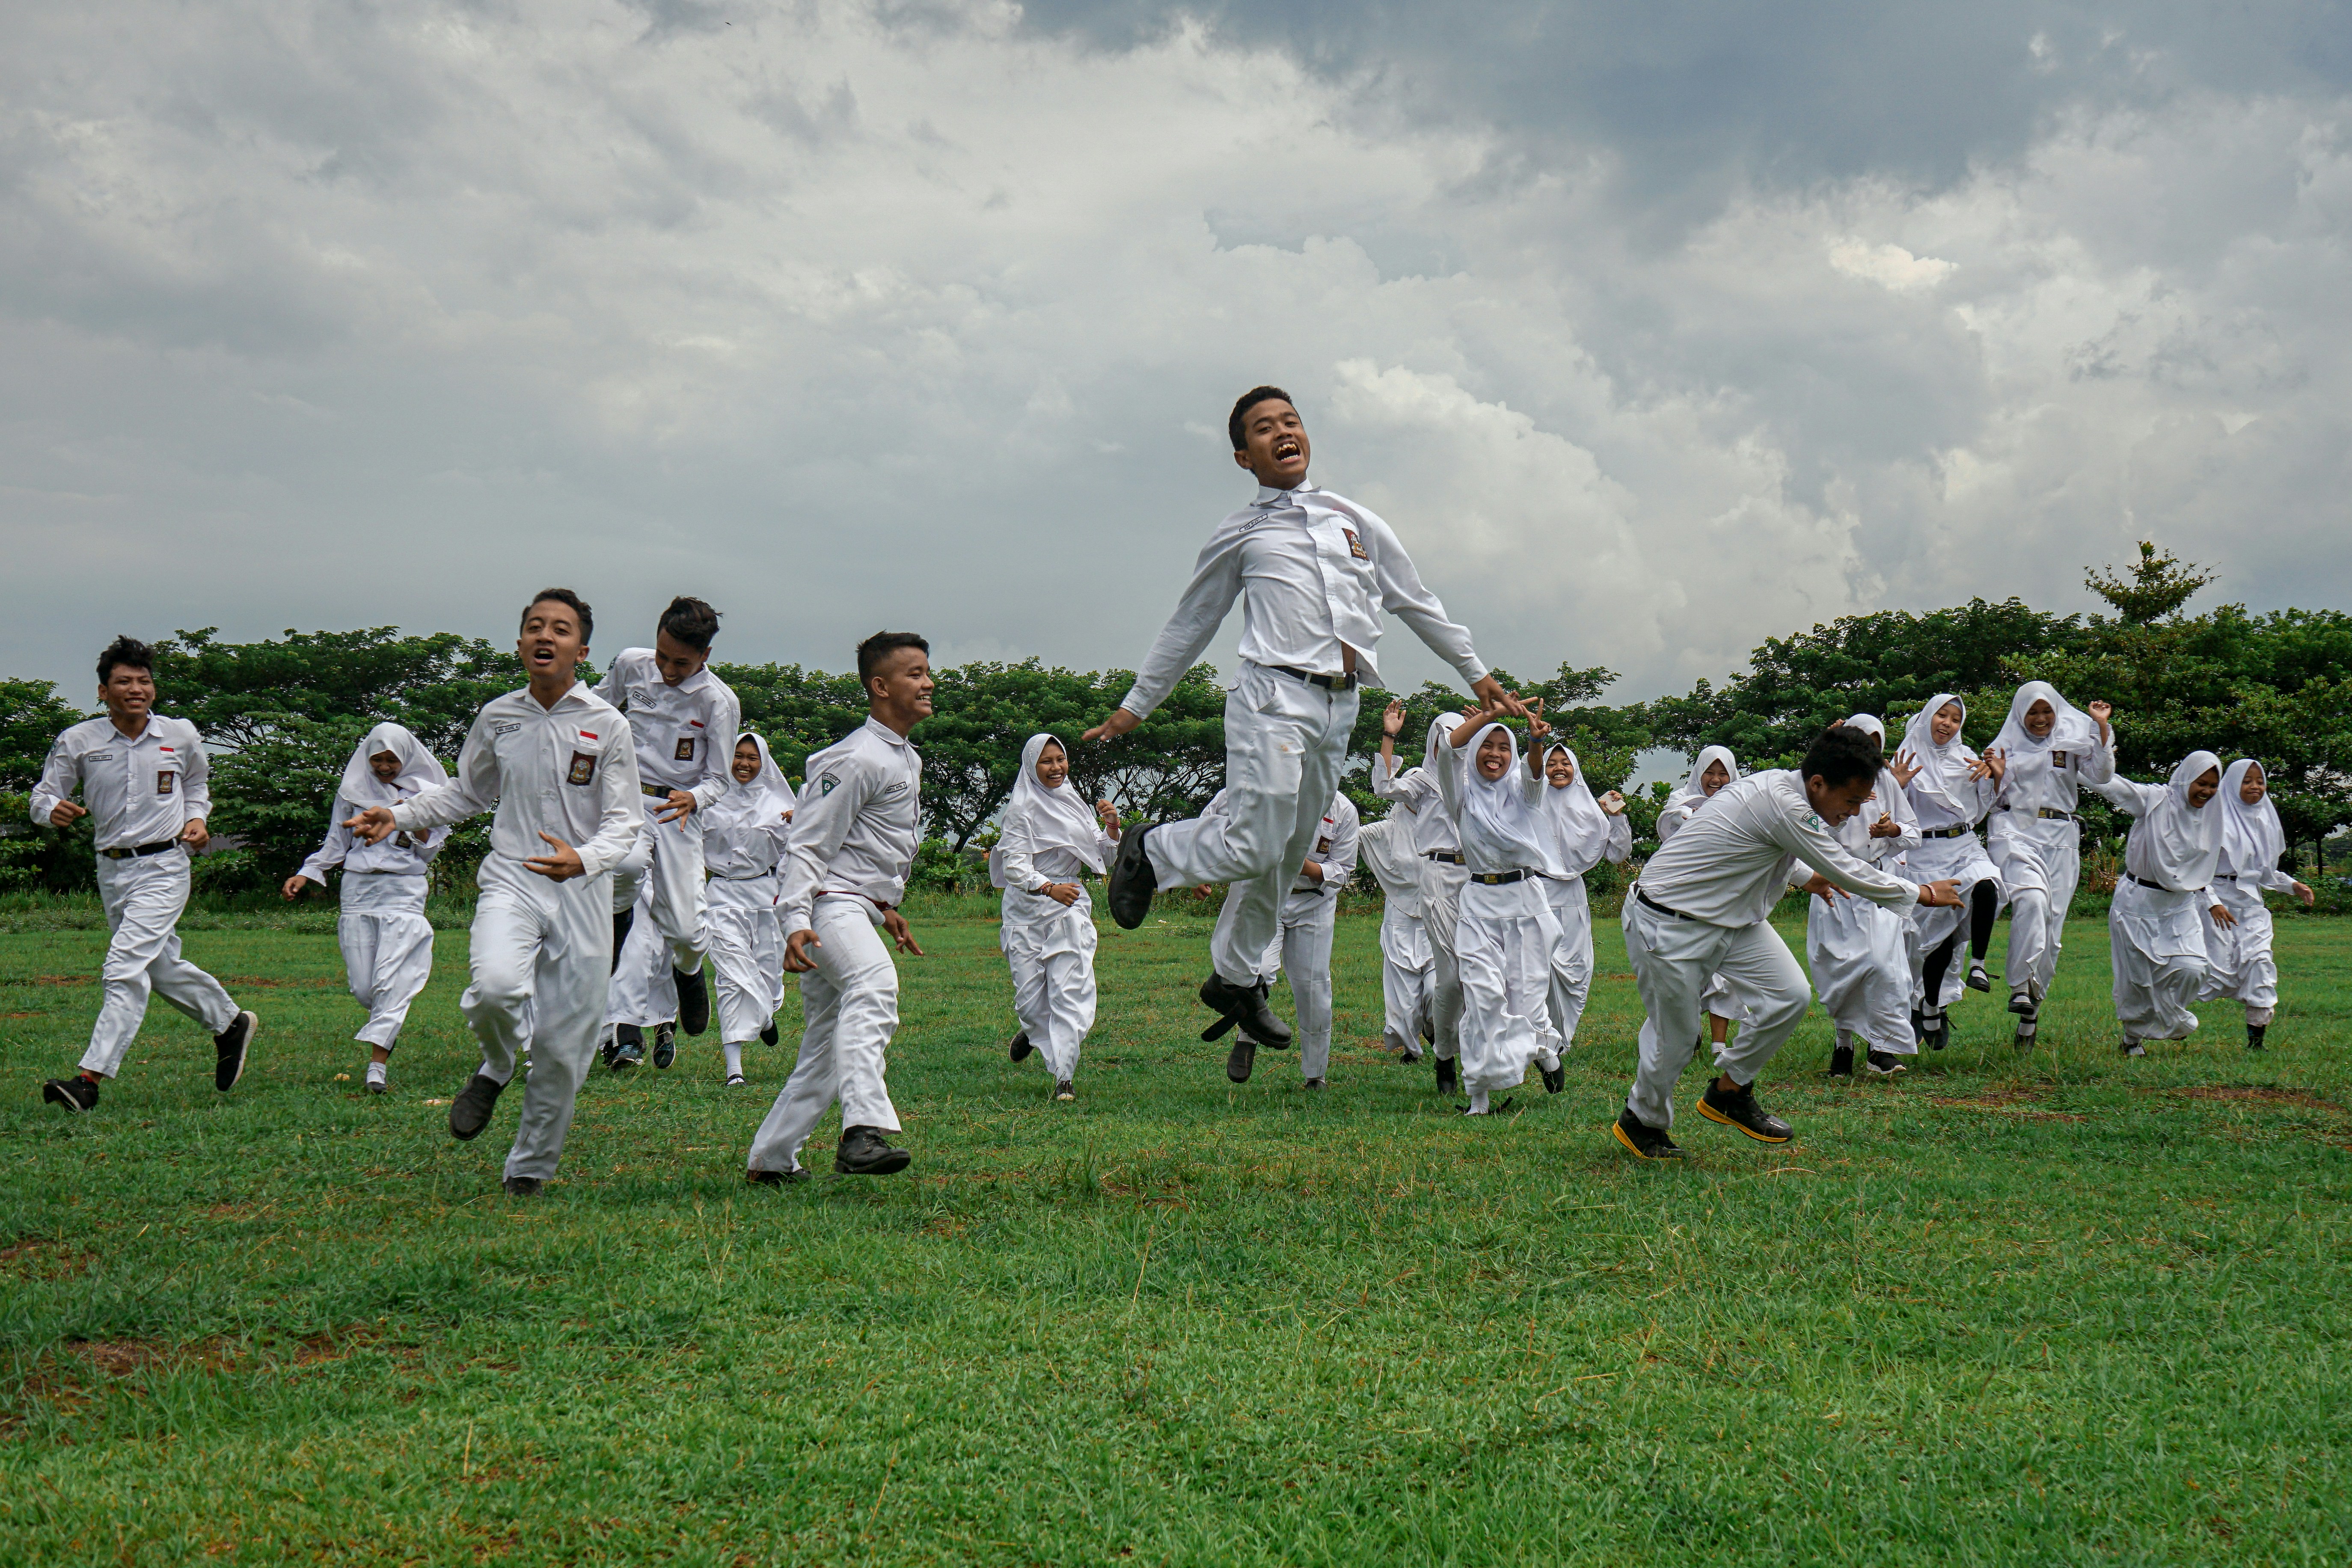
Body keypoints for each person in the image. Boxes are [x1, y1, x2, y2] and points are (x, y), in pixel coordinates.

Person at [1087, 386, 1521, 1060]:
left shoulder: (1354, 519)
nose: (1282, 432)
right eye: (1264, 428)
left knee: (1290, 856)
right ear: (1244, 455)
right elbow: (1192, 621)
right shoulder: (1242, 532)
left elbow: (1415, 599)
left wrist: (1475, 670)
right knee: (1258, 845)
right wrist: (1136, 705)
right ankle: (1154, 849)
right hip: (1271, 695)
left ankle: (1234, 978)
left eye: (1290, 421)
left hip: (1339, 703)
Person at [348, 590, 643, 1196]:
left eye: (560, 630)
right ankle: (500, 1063)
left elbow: (625, 822)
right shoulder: (499, 717)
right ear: (520, 644)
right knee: (497, 989)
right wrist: (397, 815)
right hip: (513, 876)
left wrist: (583, 858)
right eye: (535, 626)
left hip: (583, 889)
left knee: (566, 1049)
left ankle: (529, 1169)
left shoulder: (607, 725)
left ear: (581, 650)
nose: (545, 636)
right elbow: (465, 794)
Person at [1611, 725, 1961, 1161]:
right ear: (1818, 784)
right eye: (1851, 801)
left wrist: (1803, 877)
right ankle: (1641, 1120)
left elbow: (1756, 844)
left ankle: (1729, 1090)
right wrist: (1924, 893)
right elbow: (1842, 865)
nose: (1854, 814)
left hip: (1732, 919)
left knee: (1790, 996)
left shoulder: (1785, 793)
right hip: (1667, 921)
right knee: (1678, 1037)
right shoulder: (1783, 801)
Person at [34, 636, 258, 1113]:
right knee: (158, 966)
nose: (135, 688)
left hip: (165, 865)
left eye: (144, 681)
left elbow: (197, 785)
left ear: (153, 688)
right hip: (111, 869)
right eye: (123, 681)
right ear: (103, 691)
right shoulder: (79, 740)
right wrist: (51, 808)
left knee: (124, 967)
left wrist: (197, 819)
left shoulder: (181, 735)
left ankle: (88, 1079)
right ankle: (229, 1023)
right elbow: (43, 794)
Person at [745, 632, 932, 1182]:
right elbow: (809, 844)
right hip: (828, 908)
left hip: (855, 906)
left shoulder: (904, 757)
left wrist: (887, 906)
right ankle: (862, 1132)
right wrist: (795, 921)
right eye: (914, 674)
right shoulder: (853, 758)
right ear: (880, 686)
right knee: (875, 987)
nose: (928, 683)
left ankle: (772, 1160)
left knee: (827, 1044)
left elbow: (870, 848)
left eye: (927, 672)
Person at [594, 597, 742, 1042]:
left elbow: (720, 780)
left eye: (681, 662)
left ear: (706, 657)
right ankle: (617, 926)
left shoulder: (719, 702)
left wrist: (694, 798)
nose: (668, 669)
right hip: (627, 798)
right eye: (662, 656)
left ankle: (690, 970)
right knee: (623, 864)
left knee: (684, 927)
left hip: (678, 811)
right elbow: (595, 710)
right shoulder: (631, 665)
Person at [283, 724, 449, 1093]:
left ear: (406, 758)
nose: (386, 767)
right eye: (378, 760)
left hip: (404, 891)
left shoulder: (429, 793)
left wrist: (409, 816)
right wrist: (307, 873)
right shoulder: (353, 791)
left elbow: (432, 847)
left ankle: (378, 1066)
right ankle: (386, 1020)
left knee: (391, 979)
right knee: (364, 987)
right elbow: (336, 842)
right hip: (359, 891)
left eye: (393, 760)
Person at [1437, 701, 1569, 1115]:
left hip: (1526, 902)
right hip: (1478, 905)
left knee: (1528, 1002)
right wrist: (1488, 714)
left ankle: (1545, 1046)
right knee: (1482, 998)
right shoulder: (1459, 793)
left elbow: (1534, 776)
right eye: (1487, 745)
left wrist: (1533, 742)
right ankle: (1479, 1097)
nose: (1495, 754)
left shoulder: (1521, 793)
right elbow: (1447, 752)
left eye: (1503, 747)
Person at [991, 733, 1122, 1102]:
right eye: (1046, 761)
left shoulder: (1074, 804)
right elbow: (1015, 866)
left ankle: (1064, 1075)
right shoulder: (1021, 810)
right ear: (1032, 766)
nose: (1056, 767)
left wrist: (1112, 828)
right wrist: (1048, 888)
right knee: (1032, 1004)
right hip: (1028, 911)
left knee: (1071, 990)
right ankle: (1034, 1032)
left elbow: (1103, 859)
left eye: (1060, 759)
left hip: (1070, 907)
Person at [1984, 681, 2115, 1048]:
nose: (2040, 719)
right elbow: (1989, 800)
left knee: (2052, 931)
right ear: (2020, 714)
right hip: (2015, 832)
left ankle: (2031, 1012)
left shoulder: (2070, 743)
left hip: (2061, 837)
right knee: (2032, 899)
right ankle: (2018, 986)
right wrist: (1995, 775)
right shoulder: (2002, 748)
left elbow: (2102, 775)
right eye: (2033, 713)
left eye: (2047, 712)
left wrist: (2101, 728)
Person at [1806, 714, 1921, 1078]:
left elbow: (1913, 833)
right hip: (1834, 884)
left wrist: (1893, 829)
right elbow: (1808, 822)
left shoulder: (1886, 782)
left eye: (1875, 744)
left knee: (1885, 966)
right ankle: (1844, 1043)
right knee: (1841, 966)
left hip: (1876, 884)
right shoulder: (1830, 780)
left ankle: (1882, 1047)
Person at [2092, 752, 2229, 1057]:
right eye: (2201, 783)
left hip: (2180, 906)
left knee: (2193, 968)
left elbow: (2199, 870)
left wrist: (2212, 902)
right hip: (2137, 904)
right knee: (2138, 981)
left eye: (2212, 786)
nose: (2206, 791)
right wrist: (2079, 761)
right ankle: (2133, 1038)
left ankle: (2170, 1018)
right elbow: (2111, 785)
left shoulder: (2211, 817)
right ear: (2186, 778)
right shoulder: (2154, 800)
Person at [1891, 694, 2005, 1051]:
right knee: (1936, 940)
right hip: (1925, 854)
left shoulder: (1965, 756)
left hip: (1965, 844)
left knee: (1988, 882)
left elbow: (1981, 805)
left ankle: (1979, 965)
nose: (1948, 723)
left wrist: (1994, 778)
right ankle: (1929, 1006)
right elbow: (1892, 809)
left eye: (1956, 719)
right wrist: (1898, 784)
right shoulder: (1905, 757)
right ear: (1928, 717)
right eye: (1942, 715)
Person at [1371, 705, 1471, 1092]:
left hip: (1478, 878)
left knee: (1480, 971)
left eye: (1458, 735)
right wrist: (1389, 736)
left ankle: (1490, 1049)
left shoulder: (1480, 779)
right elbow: (1383, 788)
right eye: (1442, 737)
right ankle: (1444, 1056)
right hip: (1437, 876)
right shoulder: (1422, 780)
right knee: (1449, 979)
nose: (1449, 744)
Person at [1235, 790, 1360, 1089]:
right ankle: (1247, 1034)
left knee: (1314, 989)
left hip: (1315, 902)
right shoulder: (1271, 792)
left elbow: (1342, 870)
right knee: (1260, 970)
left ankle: (1315, 1074)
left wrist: (1301, 865)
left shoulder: (1343, 811)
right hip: (1268, 893)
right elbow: (1224, 826)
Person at [702, 733, 796, 1087]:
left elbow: (801, 851)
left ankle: (766, 1017)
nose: (744, 763)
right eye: (738, 756)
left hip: (764, 897)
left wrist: (795, 822)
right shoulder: (710, 801)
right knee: (730, 976)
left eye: (752, 758)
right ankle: (734, 1068)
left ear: (764, 763)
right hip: (721, 895)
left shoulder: (778, 805)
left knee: (765, 975)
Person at [2201, 759, 2315, 1048]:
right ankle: (2163, 1019)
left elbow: (2264, 872)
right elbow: (2195, 870)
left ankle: (2256, 1041)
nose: (2255, 787)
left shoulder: (2263, 819)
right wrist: (2213, 902)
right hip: (2214, 904)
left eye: (2260, 781)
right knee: (2209, 971)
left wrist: (2293, 885)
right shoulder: (2215, 820)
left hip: (2251, 906)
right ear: (2232, 784)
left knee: (2260, 964)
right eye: (2247, 781)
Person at [1533, 741, 1631, 1052]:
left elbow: (1618, 854)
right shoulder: (1530, 804)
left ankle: (1563, 1038)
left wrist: (1616, 817)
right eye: (1551, 763)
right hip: (1536, 892)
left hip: (1572, 894)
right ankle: (1539, 1033)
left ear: (1575, 769)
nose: (1558, 768)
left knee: (1576, 970)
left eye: (1565, 763)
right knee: (1539, 968)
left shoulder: (1592, 809)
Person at [1657, 746, 1745, 1049]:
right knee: (1687, 967)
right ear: (1699, 772)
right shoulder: (1681, 799)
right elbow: (1673, 820)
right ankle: (1689, 1034)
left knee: (1724, 969)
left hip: (1727, 896)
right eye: (1710, 772)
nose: (1717, 780)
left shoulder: (1742, 802)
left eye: (1723, 774)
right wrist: (1692, 816)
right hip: (1688, 897)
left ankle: (1719, 1043)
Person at [1355, 809, 1433, 1062]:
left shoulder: (1445, 824)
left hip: (1438, 918)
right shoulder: (1386, 830)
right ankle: (1411, 1048)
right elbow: (1348, 837)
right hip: (1399, 921)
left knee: (1437, 990)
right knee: (1404, 997)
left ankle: (1436, 1032)